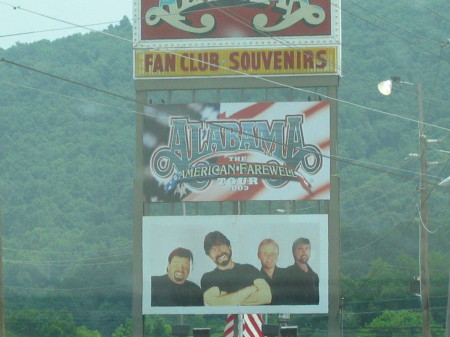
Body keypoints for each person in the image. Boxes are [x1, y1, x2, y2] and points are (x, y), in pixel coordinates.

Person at [201, 231, 272, 306]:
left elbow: (267, 296)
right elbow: (215, 303)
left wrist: (227, 299)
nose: (219, 252)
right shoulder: (208, 278)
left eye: (221, 246)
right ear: (210, 256)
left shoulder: (249, 269)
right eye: (213, 250)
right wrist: (250, 289)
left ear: (229, 247)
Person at [285, 237, 319, 304]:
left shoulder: (314, 276)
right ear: (294, 252)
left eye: (307, 248)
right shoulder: (287, 274)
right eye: (300, 249)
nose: (304, 252)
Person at [257, 239, 289, 305]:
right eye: (265, 253)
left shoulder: (288, 275)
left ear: (278, 255)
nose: (269, 257)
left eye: (273, 253)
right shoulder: (255, 279)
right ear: (258, 255)